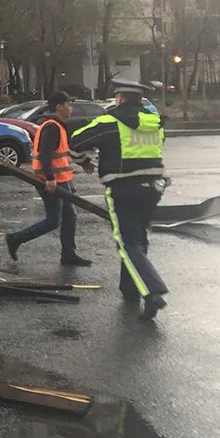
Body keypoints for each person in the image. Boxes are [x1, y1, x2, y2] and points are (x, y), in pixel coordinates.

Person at [70, 79, 168, 319]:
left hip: (122, 189)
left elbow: (75, 143)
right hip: (153, 188)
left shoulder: (108, 122)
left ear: (120, 98)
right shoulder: (154, 122)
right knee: (139, 237)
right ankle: (130, 289)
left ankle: (152, 291)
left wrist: (83, 160)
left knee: (127, 243)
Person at [5, 91, 93, 267]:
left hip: (62, 180)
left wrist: (83, 162)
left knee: (70, 217)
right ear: (59, 106)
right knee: (53, 220)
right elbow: (45, 155)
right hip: (50, 181)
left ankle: (68, 254)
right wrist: (50, 178)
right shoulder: (52, 127)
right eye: (69, 104)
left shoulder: (58, 125)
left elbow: (65, 151)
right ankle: (15, 239)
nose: (71, 108)